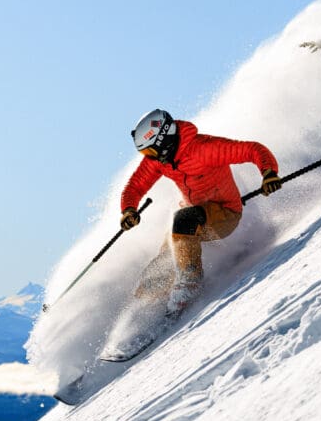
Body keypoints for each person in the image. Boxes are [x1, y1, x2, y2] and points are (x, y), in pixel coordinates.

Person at [120, 109, 282, 310]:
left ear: (163, 140)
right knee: (164, 262)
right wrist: (129, 209)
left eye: (150, 151)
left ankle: (190, 282)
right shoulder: (160, 161)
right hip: (191, 216)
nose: (150, 157)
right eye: (145, 154)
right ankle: (145, 309)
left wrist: (268, 173)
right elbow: (135, 186)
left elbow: (252, 149)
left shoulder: (204, 148)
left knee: (184, 219)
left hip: (225, 213)